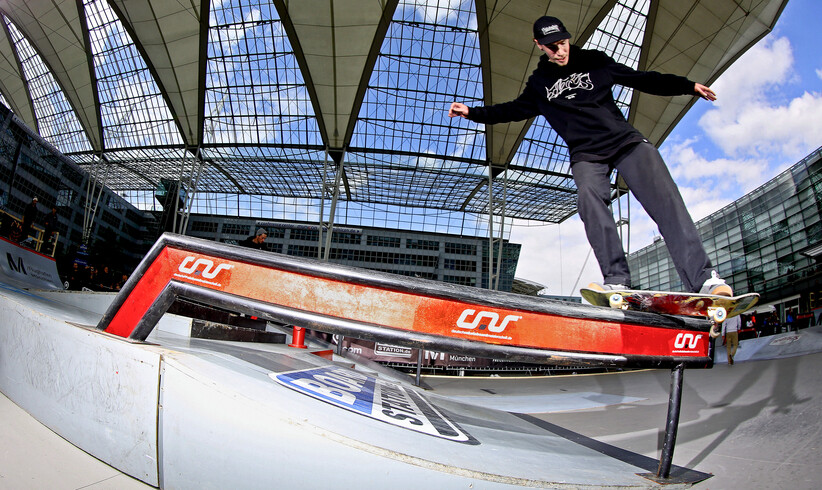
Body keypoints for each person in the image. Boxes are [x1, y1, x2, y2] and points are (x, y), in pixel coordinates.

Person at [448, 16, 731, 296]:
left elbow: (641, 79)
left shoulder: (594, 60)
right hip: (586, 155)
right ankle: (617, 279)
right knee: (589, 200)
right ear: (539, 45)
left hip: (625, 141)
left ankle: (704, 280)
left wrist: (686, 85)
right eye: (552, 47)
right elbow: (509, 110)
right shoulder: (539, 83)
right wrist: (472, 112)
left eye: (562, 43)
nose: (560, 51)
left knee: (666, 202)